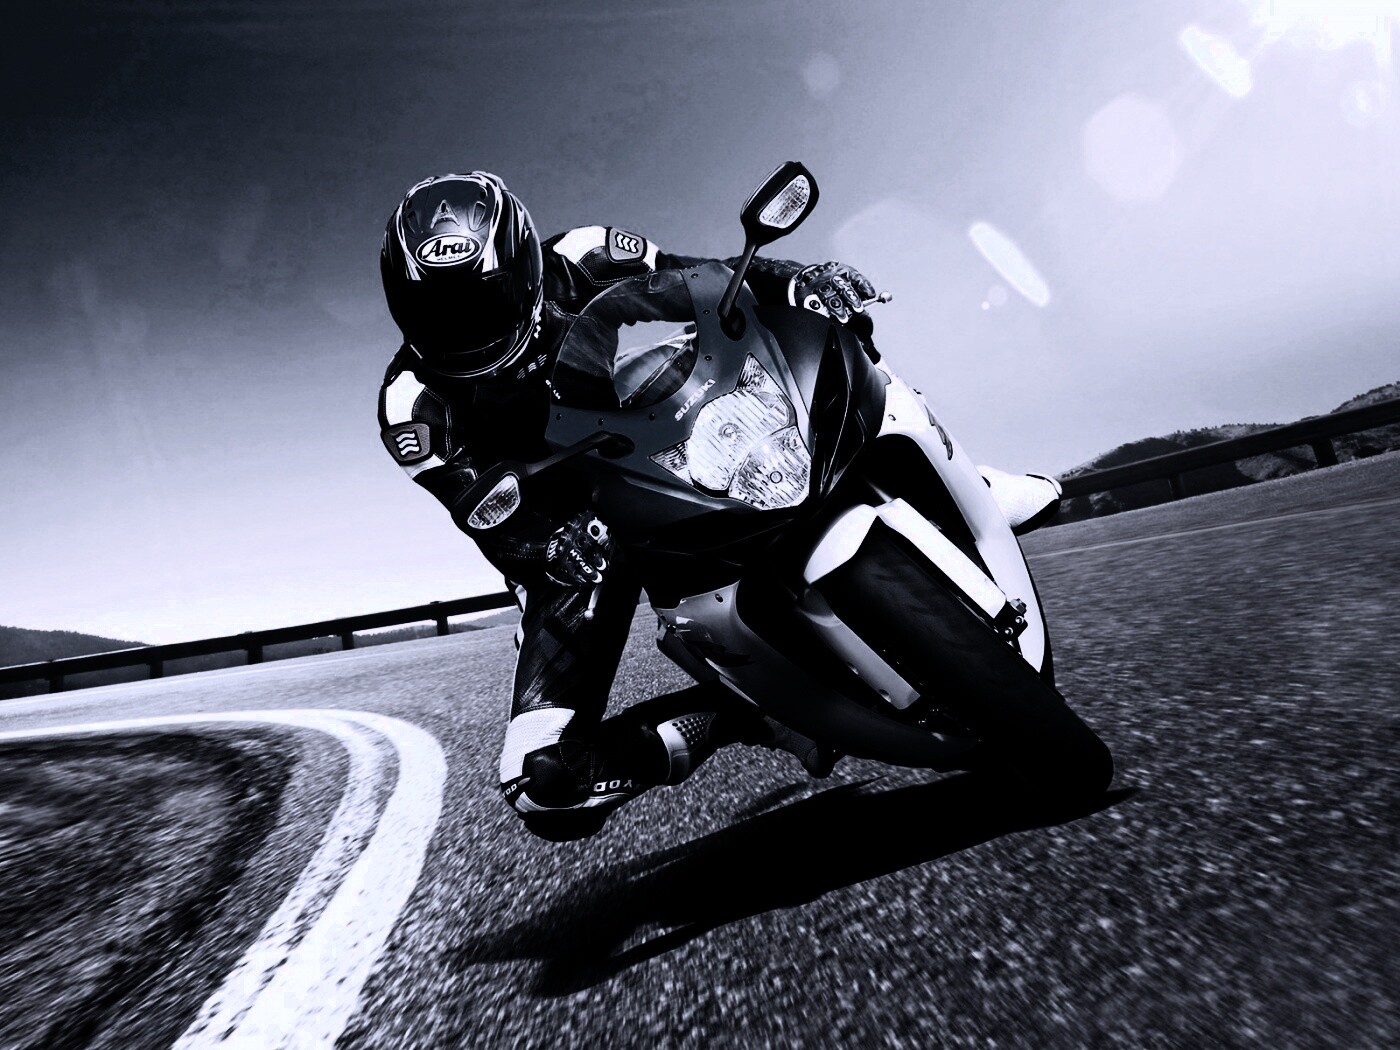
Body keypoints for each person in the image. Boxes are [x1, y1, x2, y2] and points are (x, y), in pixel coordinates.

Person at [376, 171, 1061, 840]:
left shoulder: (581, 255)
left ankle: (959, 482)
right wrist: (547, 541)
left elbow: (701, 279)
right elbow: (481, 511)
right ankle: (741, 715)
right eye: (436, 312)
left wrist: (796, 279)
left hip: (640, 432)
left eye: (482, 300)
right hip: (567, 536)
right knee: (542, 785)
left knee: (823, 338)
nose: (462, 328)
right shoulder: (412, 405)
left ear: (524, 269)